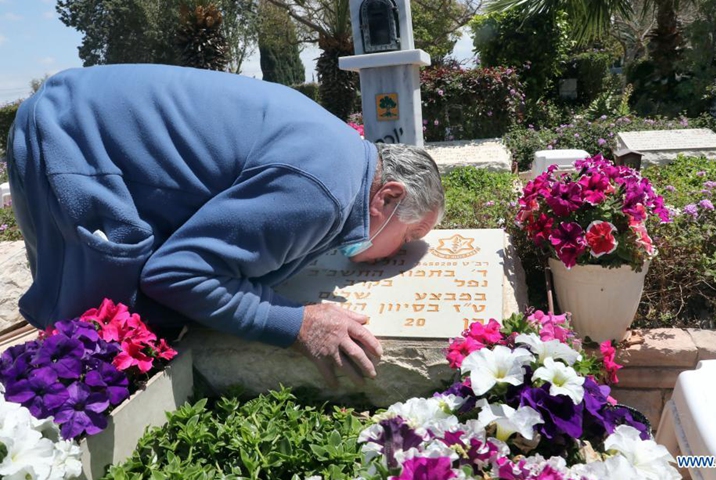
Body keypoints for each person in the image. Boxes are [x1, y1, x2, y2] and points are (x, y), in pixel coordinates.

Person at [5, 64, 445, 387]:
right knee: (90, 336)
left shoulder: (342, 158)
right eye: (409, 237)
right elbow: (176, 275)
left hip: (77, 111)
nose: (400, 253)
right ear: (387, 197)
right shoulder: (322, 192)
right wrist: (299, 324)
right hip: (70, 134)